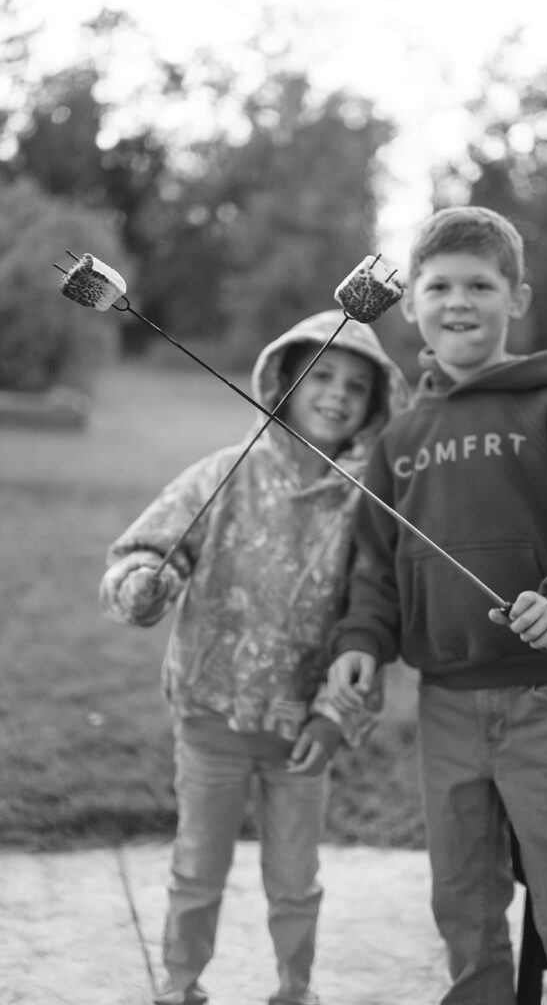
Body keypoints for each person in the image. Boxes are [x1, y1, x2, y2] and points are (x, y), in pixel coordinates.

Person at [326, 206, 547, 1005]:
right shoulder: (400, 440)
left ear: (516, 298)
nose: (458, 301)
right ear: (411, 308)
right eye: (438, 285)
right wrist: (361, 642)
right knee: (462, 901)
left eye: (480, 283)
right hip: (446, 703)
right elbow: (374, 561)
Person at [100, 310, 409, 1005]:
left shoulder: (368, 504)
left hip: (303, 734)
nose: (335, 394)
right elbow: (149, 550)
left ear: (375, 404)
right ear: (282, 381)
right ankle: (181, 987)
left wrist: (334, 718)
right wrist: (145, 585)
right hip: (211, 721)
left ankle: (293, 991)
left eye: (355, 387)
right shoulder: (222, 473)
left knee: (295, 882)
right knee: (196, 872)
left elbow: (373, 616)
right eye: (319, 375)